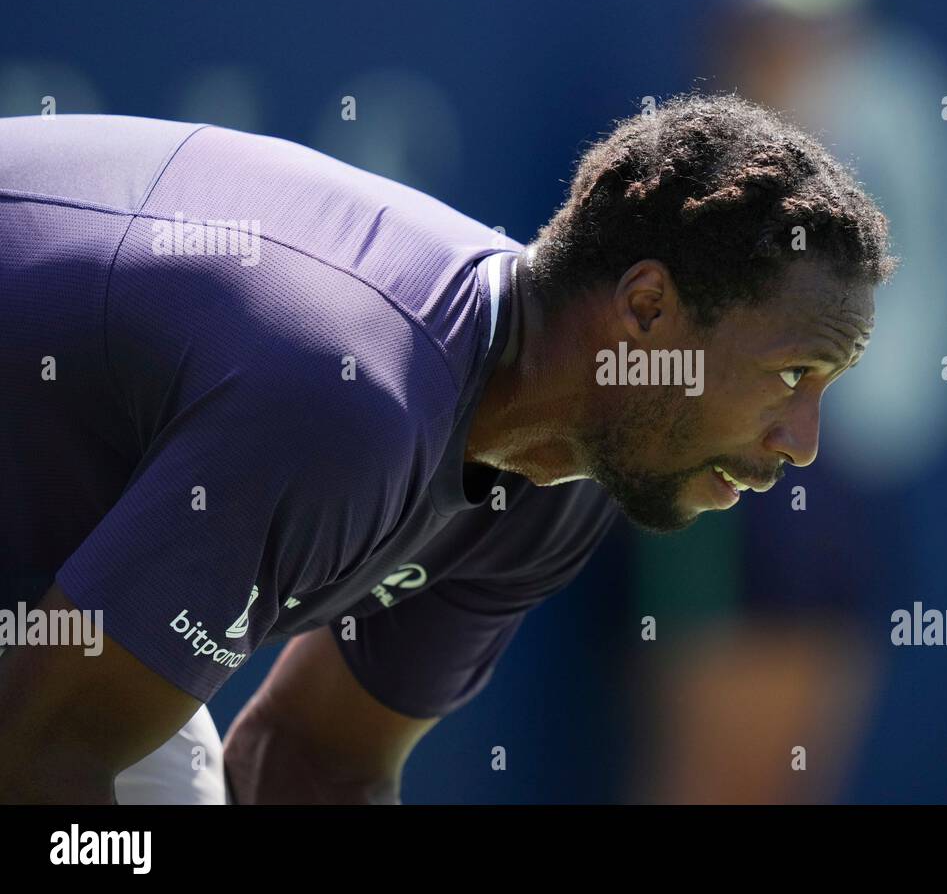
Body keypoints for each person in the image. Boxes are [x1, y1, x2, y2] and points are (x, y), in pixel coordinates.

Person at [0, 93, 893, 803]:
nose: (803, 443)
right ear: (648, 310)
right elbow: (37, 757)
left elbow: (315, 765)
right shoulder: (350, 405)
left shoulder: (560, 471)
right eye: (791, 374)